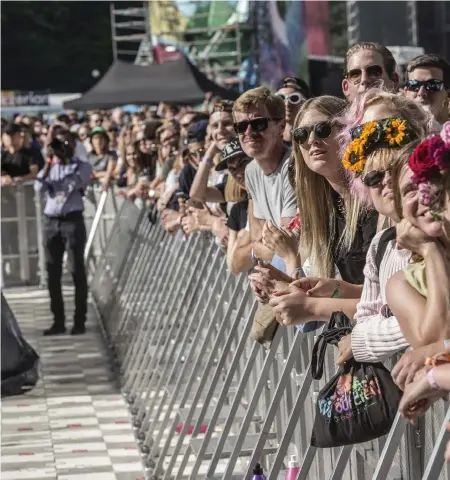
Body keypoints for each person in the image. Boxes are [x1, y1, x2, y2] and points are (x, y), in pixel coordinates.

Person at [386, 126, 450, 349]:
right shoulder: (402, 284)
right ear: (401, 209)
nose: (425, 194)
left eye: (434, 179)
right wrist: (431, 251)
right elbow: (436, 345)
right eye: (410, 190)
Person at [34, 129, 92, 336]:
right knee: (52, 273)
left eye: (66, 143)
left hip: (72, 220)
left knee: (76, 270)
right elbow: (38, 188)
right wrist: (49, 163)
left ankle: (79, 321)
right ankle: (58, 320)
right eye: (59, 144)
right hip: (51, 221)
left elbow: (75, 183)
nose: (62, 148)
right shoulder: (50, 167)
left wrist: (67, 161)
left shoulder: (82, 166)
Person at [233, 87, 297, 269]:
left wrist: (257, 249)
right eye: (241, 126)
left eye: (258, 124)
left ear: (281, 127)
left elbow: (286, 240)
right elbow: (258, 235)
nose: (249, 132)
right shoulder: (251, 171)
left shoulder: (293, 165)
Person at [405, 54, 450, 125]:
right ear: (406, 92)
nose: (421, 93)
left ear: (448, 93)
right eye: (414, 84)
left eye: (433, 85)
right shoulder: (390, 132)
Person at [275, 76, 310, 144]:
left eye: (294, 98)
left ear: (305, 103)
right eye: (281, 98)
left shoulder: (312, 139)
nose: (287, 104)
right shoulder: (270, 140)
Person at [87, 126, 117, 192]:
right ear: (91, 141)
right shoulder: (88, 156)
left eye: (101, 138)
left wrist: (96, 174)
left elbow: (113, 173)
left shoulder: (112, 154)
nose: (98, 141)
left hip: (108, 190)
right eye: (95, 138)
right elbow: (87, 174)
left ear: (106, 140)